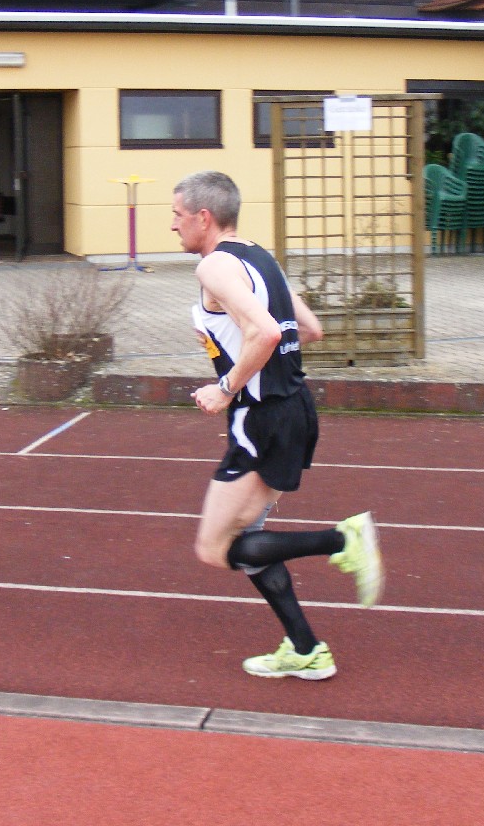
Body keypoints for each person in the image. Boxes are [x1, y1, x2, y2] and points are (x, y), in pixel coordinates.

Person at [171, 170, 383, 681]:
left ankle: (342, 541)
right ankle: (306, 648)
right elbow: (309, 330)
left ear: (204, 217)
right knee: (249, 541)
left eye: (177, 216)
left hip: (262, 418)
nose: (173, 226)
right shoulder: (261, 258)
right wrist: (246, 355)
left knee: (214, 548)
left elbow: (266, 333)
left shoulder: (214, 267)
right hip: (293, 409)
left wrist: (226, 387)